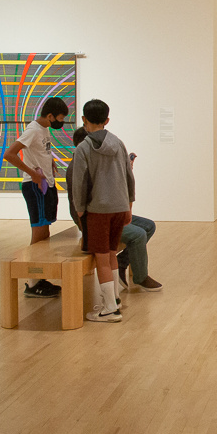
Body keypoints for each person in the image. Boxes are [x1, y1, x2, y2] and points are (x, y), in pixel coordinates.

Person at [67, 126, 161, 293]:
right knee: (136, 236)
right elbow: (81, 199)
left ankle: (122, 265)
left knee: (148, 226)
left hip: (110, 212)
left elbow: (114, 188)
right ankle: (134, 282)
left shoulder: (97, 161)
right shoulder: (78, 166)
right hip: (96, 217)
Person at [70, 99, 135, 322]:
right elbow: (129, 176)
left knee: (101, 258)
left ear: (83, 120)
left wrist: (79, 209)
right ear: (107, 120)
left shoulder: (83, 148)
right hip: (119, 206)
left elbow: (79, 182)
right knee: (111, 252)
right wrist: (129, 205)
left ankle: (109, 309)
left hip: (98, 209)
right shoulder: (118, 143)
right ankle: (114, 298)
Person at [3, 96, 69, 298]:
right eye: (59, 118)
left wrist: (51, 163)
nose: (61, 122)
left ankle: (40, 279)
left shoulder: (44, 129)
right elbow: (10, 154)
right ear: (49, 116)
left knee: (45, 233)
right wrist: (32, 173)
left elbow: (41, 152)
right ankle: (32, 283)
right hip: (35, 187)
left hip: (45, 185)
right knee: (38, 235)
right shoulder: (32, 130)